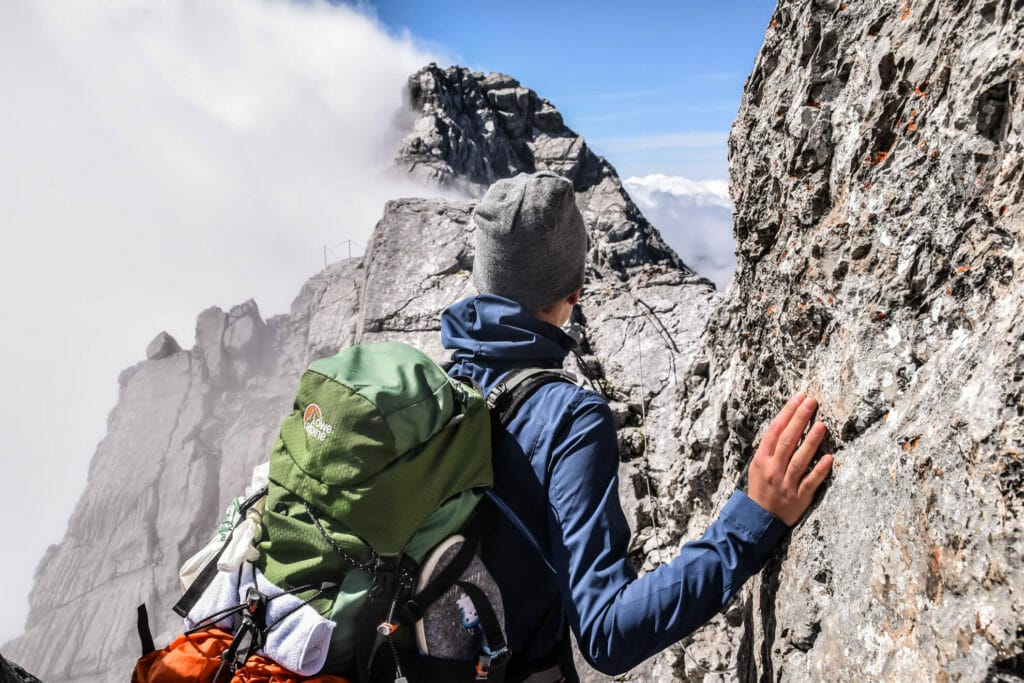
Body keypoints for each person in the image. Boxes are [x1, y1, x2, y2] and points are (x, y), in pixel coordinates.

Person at [440, 171, 833, 682]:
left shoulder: (441, 389)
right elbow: (606, 633)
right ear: (575, 292)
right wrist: (751, 522)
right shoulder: (569, 417)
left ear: (481, 285)